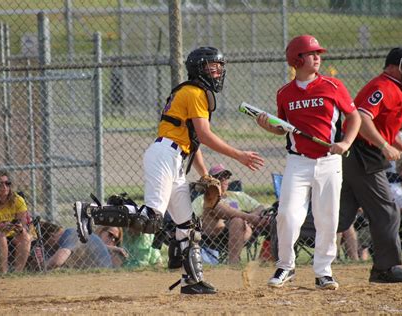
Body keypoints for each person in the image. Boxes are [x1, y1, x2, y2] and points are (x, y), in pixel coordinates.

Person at [75, 46, 264, 295]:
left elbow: (194, 142)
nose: (218, 72)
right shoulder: (195, 92)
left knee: (188, 226)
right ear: (199, 68)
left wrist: (205, 173)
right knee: (151, 219)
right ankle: (91, 212)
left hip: (176, 159)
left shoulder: (193, 93)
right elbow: (205, 136)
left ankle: (192, 281)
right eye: (212, 67)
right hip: (165, 155)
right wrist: (239, 155)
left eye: (219, 68)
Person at [255, 35, 361, 290]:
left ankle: (323, 271)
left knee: (327, 218)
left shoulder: (333, 86)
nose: (317, 57)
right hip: (298, 162)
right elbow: (284, 130)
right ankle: (286, 266)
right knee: (287, 215)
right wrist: (268, 127)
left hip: (329, 161)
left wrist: (345, 143)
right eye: (311, 53)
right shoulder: (285, 93)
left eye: (318, 53)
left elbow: (354, 117)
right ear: (296, 59)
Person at [338, 47, 402, 283]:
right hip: (362, 151)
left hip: (363, 152)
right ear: (396, 66)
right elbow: (363, 117)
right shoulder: (384, 86)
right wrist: (384, 146)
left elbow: (385, 130)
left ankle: (285, 229)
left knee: (341, 215)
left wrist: (394, 145)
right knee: (387, 212)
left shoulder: (397, 89)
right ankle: (385, 268)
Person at [191, 164, 270, 264]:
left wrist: (245, 218)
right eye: (219, 177)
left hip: (239, 230)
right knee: (213, 204)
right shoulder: (202, 199)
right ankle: (248, 217)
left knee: (237, 220)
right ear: (211, 181)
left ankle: (234, 263)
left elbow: (260, 207)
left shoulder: (237, 195)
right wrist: (250, 218)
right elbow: (192, 218)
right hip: (214, 232)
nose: (224, 179)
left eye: (226, 176)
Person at [44, 222, 113, 270]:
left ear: (52, 235)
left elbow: (57, 261)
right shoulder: (74, 234)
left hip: (99, 272)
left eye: (47, 245)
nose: (50, 248)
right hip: (98, 271)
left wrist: (41, 267)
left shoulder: (69, 233)